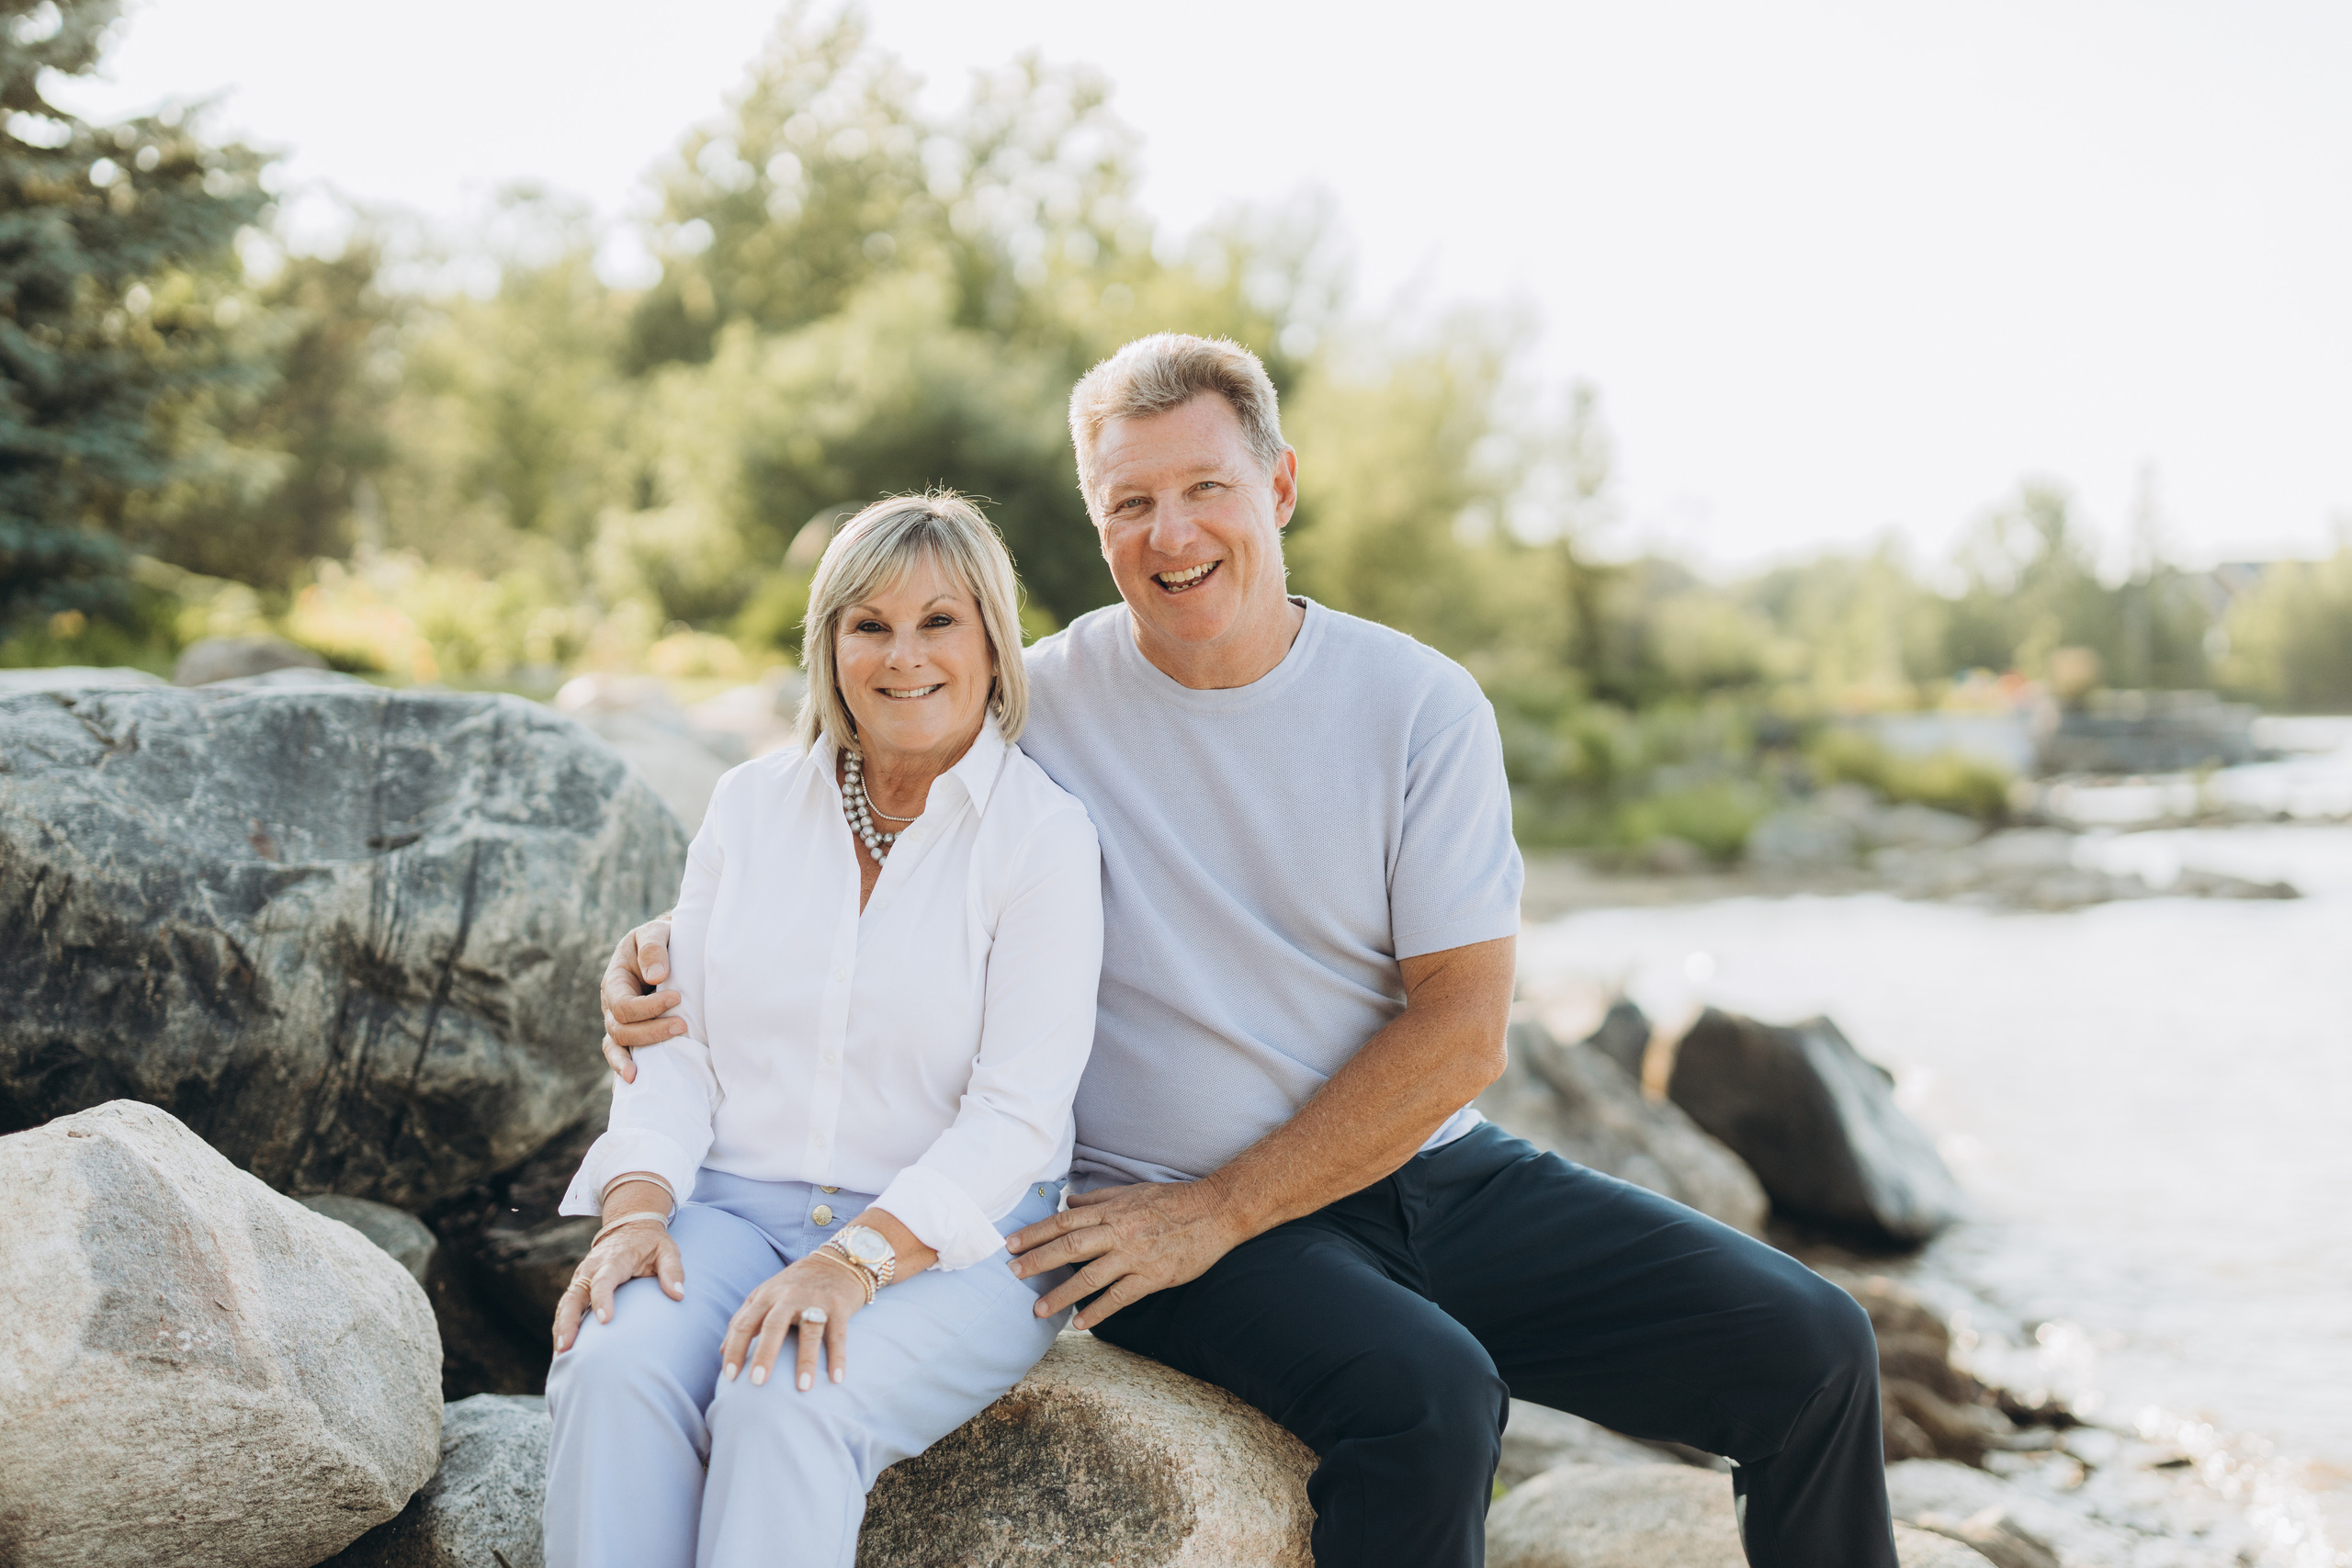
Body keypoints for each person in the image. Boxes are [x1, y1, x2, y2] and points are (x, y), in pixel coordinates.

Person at [600, 336, 1895, 1568]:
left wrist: (1221, 1209)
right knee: (1431, 1397)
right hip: (1157, 1212)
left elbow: (1463, 1028)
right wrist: (670, 953)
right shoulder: (1026, 704)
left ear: (1278, 484)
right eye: (1131, 501)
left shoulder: (1417, 704)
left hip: (1417, 1175)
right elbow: (838, 822)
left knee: (1821, 1345)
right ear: (1095, 519)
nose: (1171, 534)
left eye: (1205, 486)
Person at [546, 493, 1102, 1568]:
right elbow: (674, 1041)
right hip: (734, 1211)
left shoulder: (1042, 840)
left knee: (785, 1392)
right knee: (610, 1361)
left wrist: (853, 1260)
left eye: (939, 622)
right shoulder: (750, 807)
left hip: (954, 1245)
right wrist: (635, 1208)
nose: (903, 657)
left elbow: (1017, 1116)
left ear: (992, 640)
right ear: (828, 644)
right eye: (869, 625)